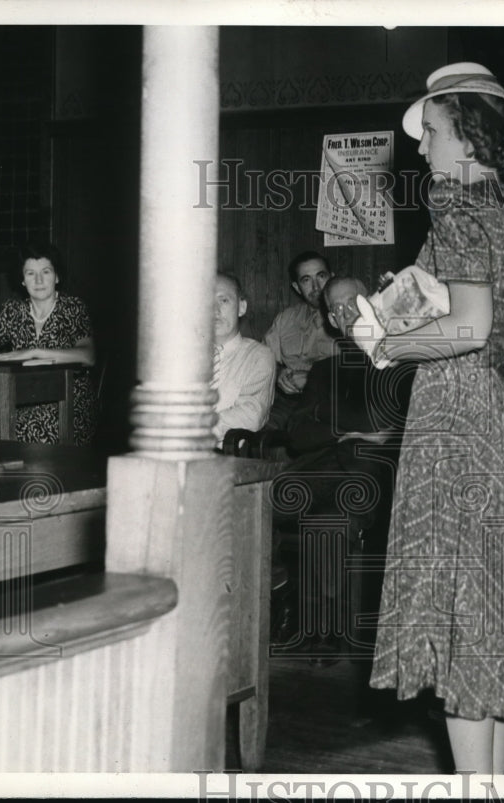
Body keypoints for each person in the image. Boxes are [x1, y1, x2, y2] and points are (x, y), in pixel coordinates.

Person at [351, 63, 504, 774]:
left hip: (451, 417)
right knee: (483, 617)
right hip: (491, 415)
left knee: (460, 617)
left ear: (465, 132)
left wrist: (389, 343)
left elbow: (468, 326)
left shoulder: (454, 202)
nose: (424, 148)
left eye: (431, 132)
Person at [272, 276, 414, 664]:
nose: (343, 313)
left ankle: (325, 636)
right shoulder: (325, 370)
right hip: (315, 472)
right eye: (334, 310)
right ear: (330, 322)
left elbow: (401, 428)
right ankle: (274, 593)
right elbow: (298, 433)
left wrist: (338, 422)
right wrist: (351, 430)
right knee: (246, 503)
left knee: (330, 520)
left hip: (374, 480)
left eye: (351, 302)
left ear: (372, 302)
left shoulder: (405, 361)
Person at [0, 243, 97, 444]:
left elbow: (88, 356)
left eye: (45, 272)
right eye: (30, 273)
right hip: (23, 402)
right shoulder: (12, 311)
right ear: (22, 280)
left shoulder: (72, 307)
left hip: (69, 404)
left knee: (24, 435)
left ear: (57, 276)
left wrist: (33, 352)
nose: (38, 280)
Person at [263, 250, 337, 428]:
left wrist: (313, 379)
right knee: (255, 433)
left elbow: (360, 371)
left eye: (321, 276)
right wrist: (279, 373)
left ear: (332, 278)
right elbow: (263, 359)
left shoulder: (350, 317)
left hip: (332, 401)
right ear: (297, 287)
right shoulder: (286, 319)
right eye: (306, 280)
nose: (316, 286)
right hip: (288, 403)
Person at [211, 272, 276, 447]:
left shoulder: (259, 356)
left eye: (224, 300)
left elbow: (250, 416)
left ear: (241, 307)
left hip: (226, 456)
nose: (215, 310)